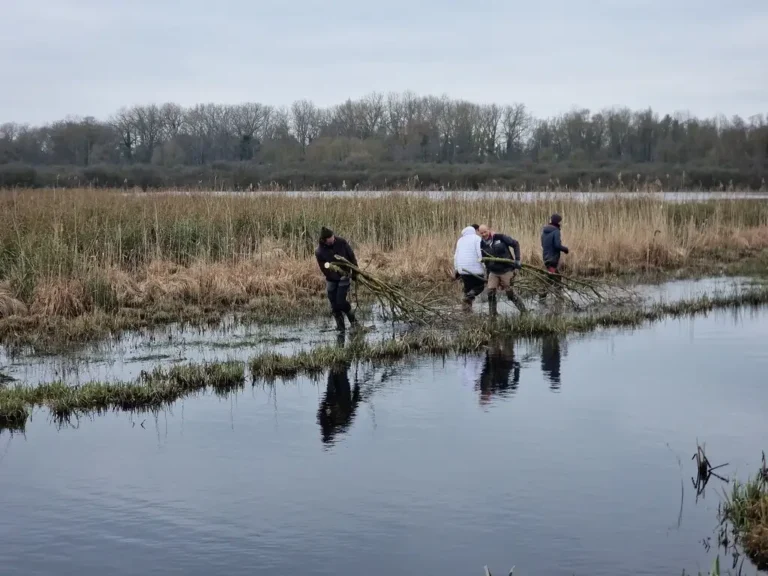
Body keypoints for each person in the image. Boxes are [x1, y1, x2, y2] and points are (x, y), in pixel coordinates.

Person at [315, 226, 358, 331]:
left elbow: (351, 256)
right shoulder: (319, 251)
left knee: (341, 302)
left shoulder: (341, 242)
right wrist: (333, 276)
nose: (333, 240)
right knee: (334, 305)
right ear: (324, 240)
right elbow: (323, 268)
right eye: (330, 240)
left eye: (333, 238)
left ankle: (354, 323)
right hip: (331, 278)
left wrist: (355, 272)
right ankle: (340, 327)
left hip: (345, 275)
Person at [477, 224, 526, 314]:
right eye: (481, 233)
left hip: (506, 269)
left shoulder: (500, 237)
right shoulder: (481, 244)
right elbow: (486, 261)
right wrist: (488, 275)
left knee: (509, 292)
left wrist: (517, 259)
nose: (484, 234)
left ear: (489, 230)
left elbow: (515, 244)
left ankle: (523, 311)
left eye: (485, 232)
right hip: (493, 271)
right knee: (490, 291)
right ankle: (493, 314)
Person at [453, 224, 485, 311]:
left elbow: (456, 256)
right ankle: (471, 296)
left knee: (467, 289)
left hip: (463, 270)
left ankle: (466, 310)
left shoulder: (460, 240)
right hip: (475, 270)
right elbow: (480, 254)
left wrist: (456, 269)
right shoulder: (477, 239)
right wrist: (485, 267)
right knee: (480, 285)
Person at [540, 213, 569, 302]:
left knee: (555, 278)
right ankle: (543, 298)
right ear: (557, 222)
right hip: (553, 258)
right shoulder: (556, 231)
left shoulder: (544, 231)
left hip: (546, 257)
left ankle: (557, 298)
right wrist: (565, 249)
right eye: (560, 221)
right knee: (552, 279)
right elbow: (557, 245)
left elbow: (542, 244)